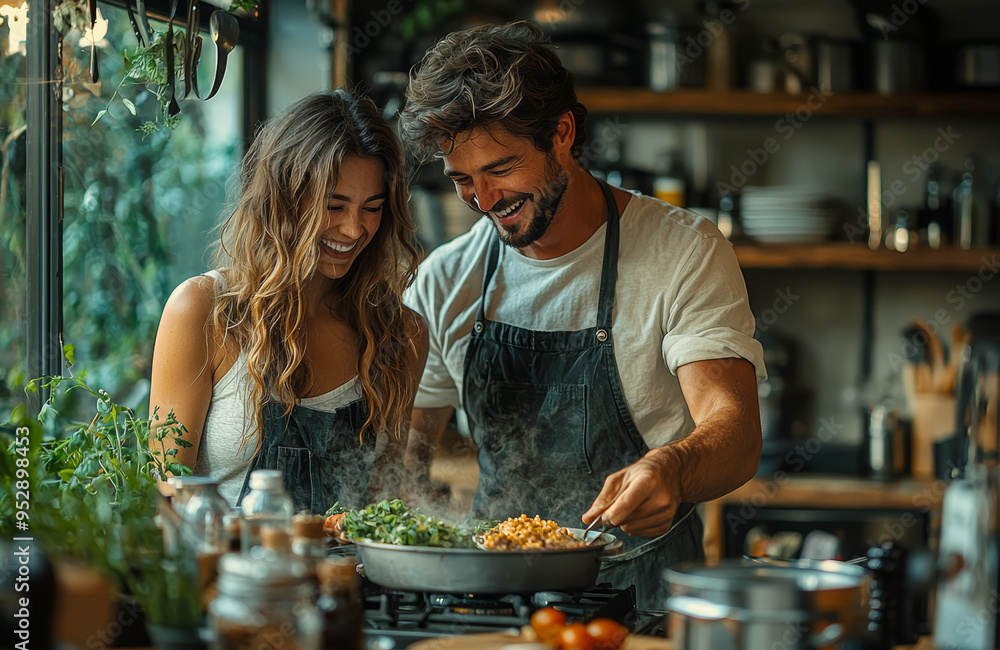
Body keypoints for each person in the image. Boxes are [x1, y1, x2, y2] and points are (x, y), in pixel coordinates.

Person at [398, 22, 766, 607]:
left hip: (642, 599)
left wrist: (671, 467)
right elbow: (406, 454)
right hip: (492, 602)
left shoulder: (683, 250)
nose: (483, 200)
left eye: (500, 168)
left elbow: (738, 432)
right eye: (463, 179)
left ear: (562, 133)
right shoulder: (445, 278)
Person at [148, 90, 428, 513]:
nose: (353, 230)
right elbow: (165, 501)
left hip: (349, 578)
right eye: (334, 206)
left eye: (371, 208)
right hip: (231, 575)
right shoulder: (203, 311)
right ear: (284, 199)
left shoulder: (402, 334)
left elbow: (384, 508)